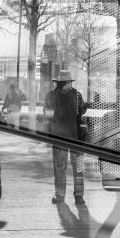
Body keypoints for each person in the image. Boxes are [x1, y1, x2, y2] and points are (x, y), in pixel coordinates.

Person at [44, 70, 87, 205]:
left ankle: (61, 195)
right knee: (76, 167)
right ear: (64, 83)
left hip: (61, 137)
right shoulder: (77, 96)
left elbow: (48, 115)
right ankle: (77, 196)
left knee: (61, 167)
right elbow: (83, 111)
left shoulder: (51, 96)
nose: (69, 85)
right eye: (67, 82)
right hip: (75, 138)